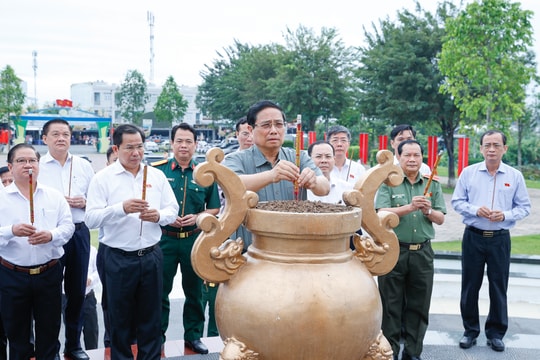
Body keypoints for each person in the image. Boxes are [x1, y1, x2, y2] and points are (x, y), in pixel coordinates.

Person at [85, 124, 179, 360]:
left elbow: (172, 209)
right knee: (118, 318)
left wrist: (158, 216)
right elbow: (90, 219)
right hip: (117, 257)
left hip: (150, 255)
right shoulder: (102, 178)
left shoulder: (156, 175)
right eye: (130, 148)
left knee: (151, 317)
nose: (136, 152)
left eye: (140, 147)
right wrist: (120, 209)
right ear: (116, 148)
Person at [452, 130, 530, 353]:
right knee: (470, 286)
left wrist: (505, 215)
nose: (492, 149)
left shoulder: (515, 176)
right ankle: (470, 331)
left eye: (496, 145)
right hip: (473, 236)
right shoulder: (468, 173)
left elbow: (524, 207)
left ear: (505, 148)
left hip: (499, 239)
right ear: (481, 148)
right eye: (487, 145)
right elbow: (457, 202)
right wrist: (476, 210)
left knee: (498, 287)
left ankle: (496, 333)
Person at [0, 143, 75, 359]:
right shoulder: (2, 197)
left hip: (48, 273)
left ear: (39, 164)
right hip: (12, 274)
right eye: (21, 161)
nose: (28, 165)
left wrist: (51, 235)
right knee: (17, 335)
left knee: (50, 333)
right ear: (10, 166)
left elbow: (68, 227)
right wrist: (11, 231)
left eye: (32, 160)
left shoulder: (54, 196)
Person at [223, 100, 330, 250]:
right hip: (246, 252)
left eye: (279, 125)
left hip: (291, 251)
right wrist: (271, 175)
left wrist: (313, 182)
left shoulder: (299, 157)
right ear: (250, 129)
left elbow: (324, 187)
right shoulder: (235, 159)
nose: (274, 130)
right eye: (266, 125)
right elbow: (231, 185)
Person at [152, 123, 220, 354]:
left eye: (188, 141)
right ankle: (157, 337)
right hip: (164, 239)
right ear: (171, 144)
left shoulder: (204, 175)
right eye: (179, 141)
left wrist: (197, 217)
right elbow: (150, 204)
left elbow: (214, 208)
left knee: (195, 292)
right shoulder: (158, 171)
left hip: (193, 240)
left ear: (195, 145)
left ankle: (193, 336)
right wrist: (165, 217)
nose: (183, 146)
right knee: (160, 291)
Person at [375, 139, 446, 360]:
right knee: (391, 306)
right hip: (394, 250)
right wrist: (409, 207)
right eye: (408, 155)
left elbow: (441, 218)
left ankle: (413, 353)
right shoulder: (389, 182)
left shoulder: (431, 183)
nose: (413, 159)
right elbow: (380, 213)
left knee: (419, 305)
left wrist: (428, 211)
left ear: (422, 158)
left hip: (422, 253)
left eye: (417, 155)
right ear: (399, 157)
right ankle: (391, 352)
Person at [38, 118, 94, 360]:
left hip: (79, 232)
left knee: (76, 291)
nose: (61, 138)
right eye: (56, 134)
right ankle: (50, 349)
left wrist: (85, 202)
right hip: (50, 235)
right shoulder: (37, 165)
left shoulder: (83, 165)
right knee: (49, 294)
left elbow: (98, 202)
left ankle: (73, 344)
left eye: (66, 134)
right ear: (45, 139)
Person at [306, 140, 353, 204]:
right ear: (308, 160)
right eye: (318, 156)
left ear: (334, 159)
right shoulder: (302, 190)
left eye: (328, 156)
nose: (324, 160)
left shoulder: (346, 188)